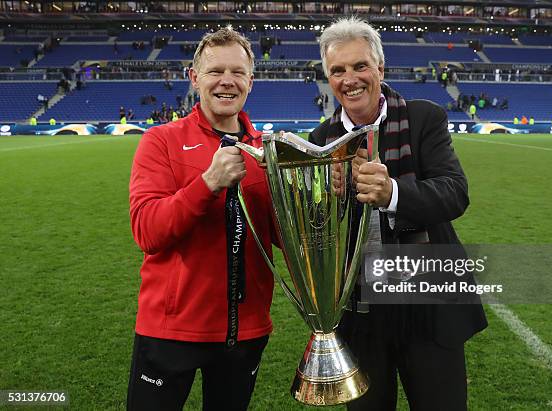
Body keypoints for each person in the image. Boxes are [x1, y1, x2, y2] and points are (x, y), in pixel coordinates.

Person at [309, 17, 487, 411]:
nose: (349, 78)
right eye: (337, 70)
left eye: (360, 66)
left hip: (427, 302)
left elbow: (455, 193)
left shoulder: (424, 118)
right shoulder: (320, 140)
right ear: (328, 79)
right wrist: (330, 200)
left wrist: (393, 193)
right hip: (360, 309)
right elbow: (317, 231)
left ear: (380, 70)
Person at [127, 26, 277, 411]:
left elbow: (284, 238)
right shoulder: (160, 141)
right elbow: (148, 231)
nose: (226, 81)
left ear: (251, 82)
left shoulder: (269, 154)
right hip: (170, 330)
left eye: (237, 72)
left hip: (245, 331)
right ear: (194, 78)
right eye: (215, 71)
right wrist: (208, 182)